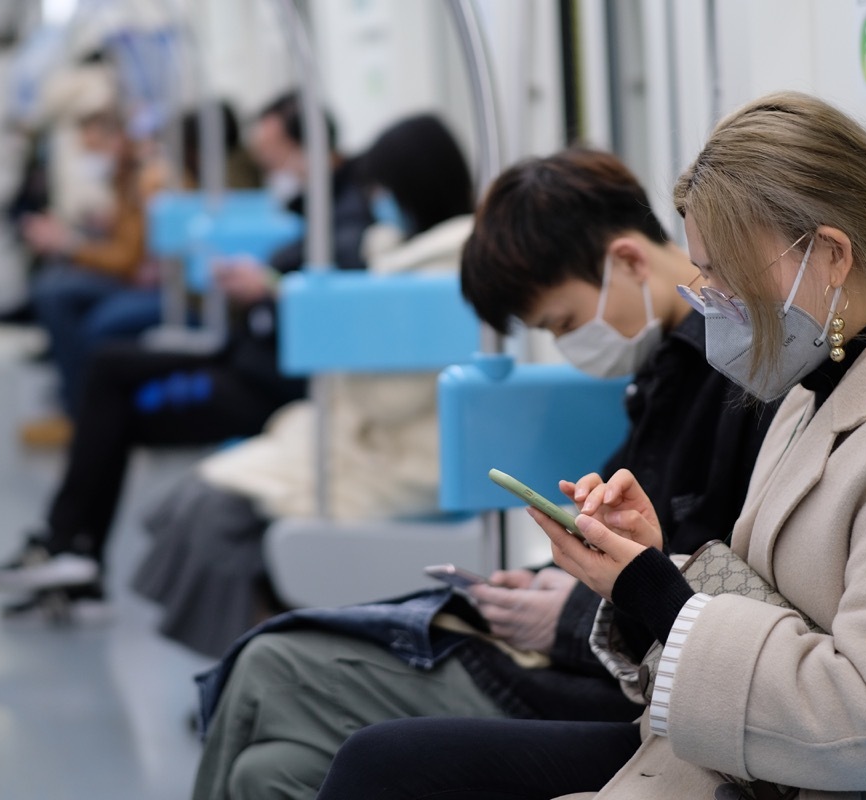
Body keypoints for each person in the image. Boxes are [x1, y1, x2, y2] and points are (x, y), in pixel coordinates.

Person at [315, 91, 866, 800]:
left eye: (721, 271)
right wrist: (654, 563)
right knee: (380, 762)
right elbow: (783, 611)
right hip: (748, 763)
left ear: (829, 255)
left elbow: (865, 725)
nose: (706, 295)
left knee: (381, 768)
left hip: (811, 777)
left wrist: (657, 594)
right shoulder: (819, 385)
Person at [186, 147, 778, 800]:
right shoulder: (664, 379)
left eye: (564, 323)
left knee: (270, 666)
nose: (567, 347)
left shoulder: (736, 383)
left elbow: (707, 586)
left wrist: (575, 612)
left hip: (622, 685)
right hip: (594, 650)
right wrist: (558, 581)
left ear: (630, 261)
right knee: (268, 775)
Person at [0, 91, 373, 611]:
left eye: (274, 156)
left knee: (115, 391)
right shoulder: (313, 205)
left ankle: (71, 548)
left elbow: (328, 285)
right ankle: (69, 545)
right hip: (245, 354)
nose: (268, 168)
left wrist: (270, 285)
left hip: (265, 381)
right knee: (111, 365)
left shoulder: (343, 217)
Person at [130, 113, 477, 656]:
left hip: (407, 456)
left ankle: (244, 659)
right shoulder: (394, 255)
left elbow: (390, 397)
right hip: (365, 438)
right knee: (197, 496)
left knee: (217, 508)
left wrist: (335, 350)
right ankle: (244, 653)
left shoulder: (448, 268)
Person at [20, 99, 258, 448]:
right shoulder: (152, 178)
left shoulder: (188, 183)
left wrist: (71, 245)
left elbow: (131, 259)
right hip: (174, 286)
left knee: (96, 320)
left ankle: (85, 416)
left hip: (188, 295)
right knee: (61, 293)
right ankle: (80, 409)